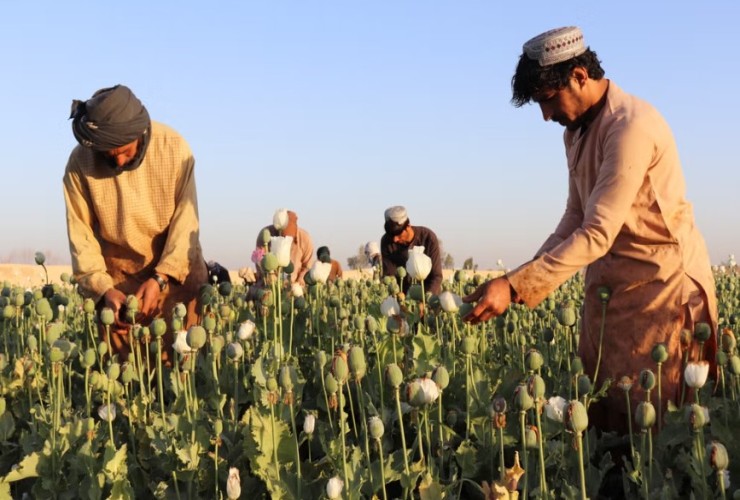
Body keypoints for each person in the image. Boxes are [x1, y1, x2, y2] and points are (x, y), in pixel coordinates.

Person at [463, 27, 718, 432]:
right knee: (605, 408)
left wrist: (514, 288)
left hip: (661, 290)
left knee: (654, 421)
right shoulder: (576, 131)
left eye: (548, 100)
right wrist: (513, 280)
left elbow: (597, 232)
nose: (546, 115)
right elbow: (575, 216)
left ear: (580, 76)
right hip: (611, 290)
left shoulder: (629, 127)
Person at [64, 84, 208, 362]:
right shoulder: (80, 163)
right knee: (126, 383)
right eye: (108, 153)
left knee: (184, 374)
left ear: (139, 133)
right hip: (119, 287)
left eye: (124, 151)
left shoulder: (174, 148)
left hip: (176, 276)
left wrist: (160, 278)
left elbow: (185, 225)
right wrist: (105, 291)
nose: (117, 160)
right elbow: (81, 237)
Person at [381, 206, 443, 295]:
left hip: (429, 297)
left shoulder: (428, 237)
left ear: (408, 227)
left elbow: (436, 276)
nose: (394, 239)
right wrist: (397, 296)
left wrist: (426, 299)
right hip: (403, 298)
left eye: (397, 234)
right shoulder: (386, 241)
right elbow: (389, 275)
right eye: (391, 235)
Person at [254, 209, 313, 285]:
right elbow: (259, 259)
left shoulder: (305, 238)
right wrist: (270, 275)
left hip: (295, 285)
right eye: (283, 236)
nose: (286, 239)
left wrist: (298, 283)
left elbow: (307, 266)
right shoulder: (265, 234)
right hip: (270, 284)